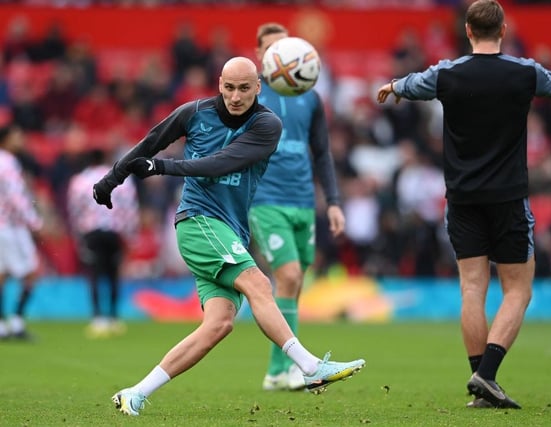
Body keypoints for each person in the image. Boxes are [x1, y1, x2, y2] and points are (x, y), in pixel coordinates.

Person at [92, 57, 365, 416]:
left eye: (244, 88)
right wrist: (113, 178)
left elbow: (221, 162)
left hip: (229, 229)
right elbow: (152, 141)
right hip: (199, 221)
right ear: (220, 84)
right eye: (229, 87)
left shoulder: (267, 125)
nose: (235, 96)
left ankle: (135, 392)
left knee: (219, 325)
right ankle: (310, 367)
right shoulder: (194, 113)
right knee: (259, 284)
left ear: (258, 88)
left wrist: (162, 167)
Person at [376, 0, 551, 409]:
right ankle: (486, 375)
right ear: (503, 29)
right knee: (518, 291)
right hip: (508, 197)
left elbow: (415, 82)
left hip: (463, 198)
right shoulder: (524, 73)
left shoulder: (449, 74)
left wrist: (394, 87)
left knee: (472, 287)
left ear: (467, 31)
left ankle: (479, 380)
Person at [250, 22, 346, 391]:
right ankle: (295, 366)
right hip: (265, 198)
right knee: (288, 275)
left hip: (303, 200)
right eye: (273, 51)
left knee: (294, 283)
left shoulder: (311, 97)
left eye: (286, 49)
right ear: (260, 54)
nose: (282, 59)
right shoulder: (249, 95)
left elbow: (322, 152)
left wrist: (334, 202)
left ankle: (276, 372)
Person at [67, 148, 139, 338]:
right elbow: (130, 208)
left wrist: (78, 234)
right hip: (114, 232)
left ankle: (98, 318)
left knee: (95, 273)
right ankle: (114, 318)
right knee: (113, 273)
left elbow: (75, 210)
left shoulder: (79, 181)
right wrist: (131, 235)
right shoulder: (121, 180)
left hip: (91, 232)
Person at [0, 123, 43, 340]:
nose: (21, 140)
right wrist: (34, 222)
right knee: (32, 271)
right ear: (6, 139)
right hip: (10, 226)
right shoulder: (8, 162)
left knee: (1, 274)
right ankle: (16, 321)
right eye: (17, 135)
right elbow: (16, 196)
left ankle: (1, 325)